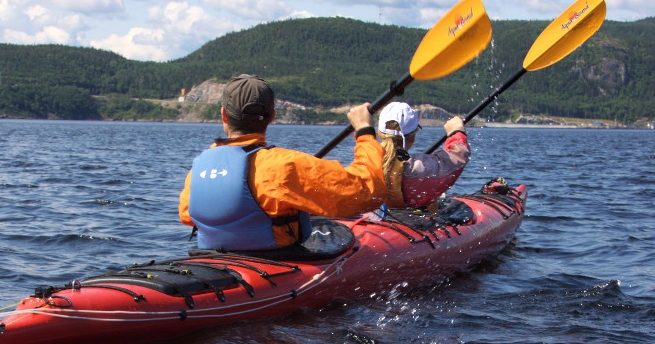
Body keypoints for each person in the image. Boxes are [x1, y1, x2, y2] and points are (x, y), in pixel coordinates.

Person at [179, 74, 386, 251]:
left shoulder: (199, 166)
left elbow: (187, 216)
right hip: (276, 260)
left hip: (215, 259)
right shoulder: (284, 166)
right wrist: (365, 133)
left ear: (224, 115)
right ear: (272, 117)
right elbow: (369, 192)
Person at [377, 101, 470, 211]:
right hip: (412, 224)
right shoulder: (418, 170)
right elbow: (458, 156)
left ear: (379, 133)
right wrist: (456, 131)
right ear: (413, 137)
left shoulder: (364, 164)